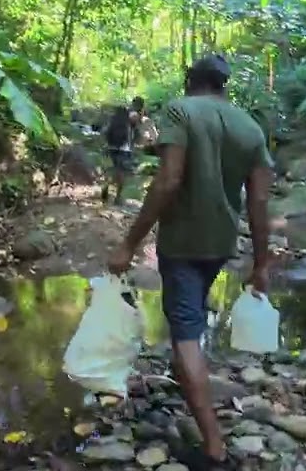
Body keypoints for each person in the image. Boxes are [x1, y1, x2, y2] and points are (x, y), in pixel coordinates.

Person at [107, 55, 273, 470]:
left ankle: (214, 449)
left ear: (190, 81)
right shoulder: (250, 127)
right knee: (191, 314)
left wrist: (130, 242)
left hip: (182, 241)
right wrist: (262, 262)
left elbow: (168, 180)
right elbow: (259, 200)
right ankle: (187, 368)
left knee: (185, 332)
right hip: (221, 242)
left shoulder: (180, 110)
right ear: (224, 85)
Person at [100, 104, 136, 205]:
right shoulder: (128, 123)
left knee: (109, 171)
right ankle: (118, 197)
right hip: (124, 151)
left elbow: (104, 132)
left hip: (110, 149)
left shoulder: (111, 121)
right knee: (122, 174)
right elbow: (130, 138)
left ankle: (105, 187)